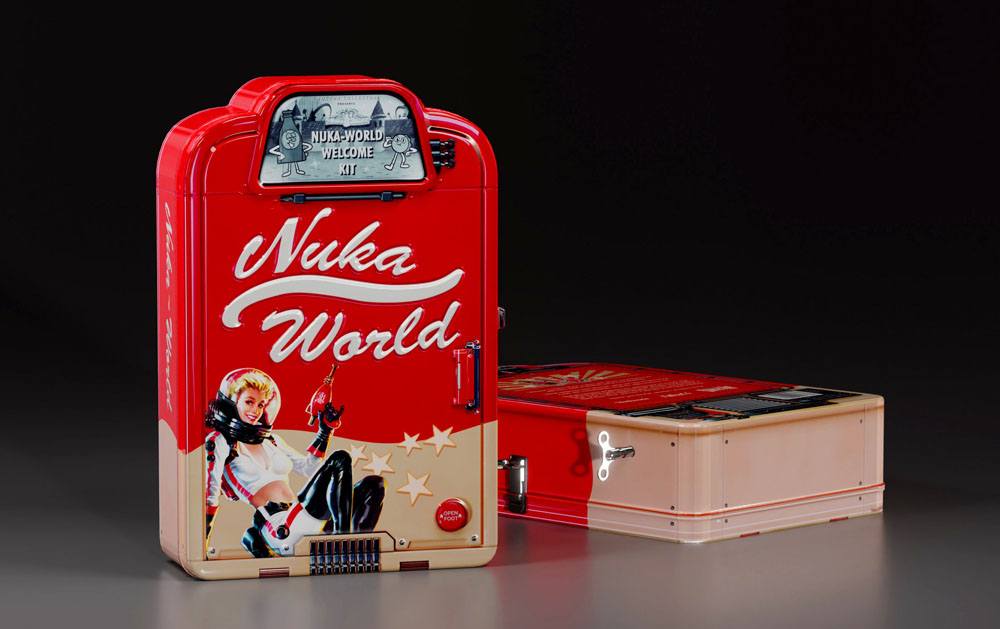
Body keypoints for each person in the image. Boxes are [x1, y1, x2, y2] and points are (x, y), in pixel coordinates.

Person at [204, 368, 383, 557]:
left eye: (261, 404)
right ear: (231, 403)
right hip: (280, 527)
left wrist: (324, 431)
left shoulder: (271, 440)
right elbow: (210, 494)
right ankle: (343, 541)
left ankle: (355, 548)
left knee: (374, 484)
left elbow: (309, 469)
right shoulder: (220, 441)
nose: (256, 410)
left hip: (302, 514)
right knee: (340, 459)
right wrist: (202, 546)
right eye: (249, 402)